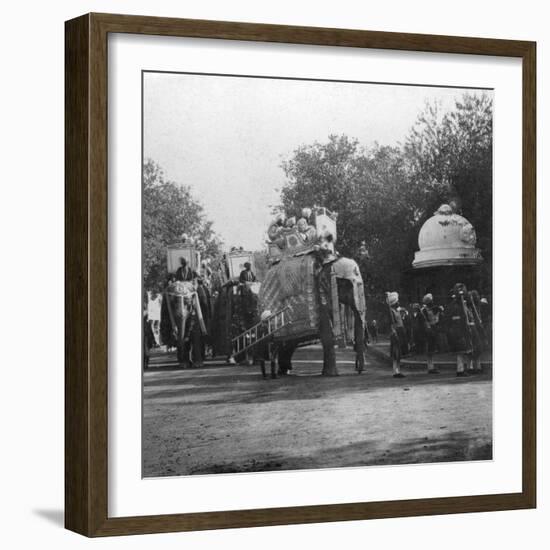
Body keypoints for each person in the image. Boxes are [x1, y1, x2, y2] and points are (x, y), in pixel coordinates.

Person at [446, 283, 476, 376]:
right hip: (457, 329)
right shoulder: (454, 305)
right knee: (460, 351)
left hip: (464, 328)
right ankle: (460, 370)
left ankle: (464, 368)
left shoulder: (464, 304)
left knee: (464, 350)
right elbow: (451, 318)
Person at [420, 293, 444, 374]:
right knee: (429, 348)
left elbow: (438, 317)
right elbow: (425, 321)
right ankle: (430, 367)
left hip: (434, 327)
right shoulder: (424, 310)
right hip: (428, 328)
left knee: (432, 348)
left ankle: (431, 366)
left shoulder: (435, 308)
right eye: (430, 301)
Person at [387, 291, 407, 378]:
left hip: (400, 331)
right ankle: (395, 371)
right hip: (395, 332)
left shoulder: (396, 310)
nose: (398, 302)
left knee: (399, 352)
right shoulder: (391, 311)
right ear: (394, 302)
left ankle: (398, 370)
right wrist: (394, 332)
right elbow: (392, 323)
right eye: (397, 301)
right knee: (395, 352)